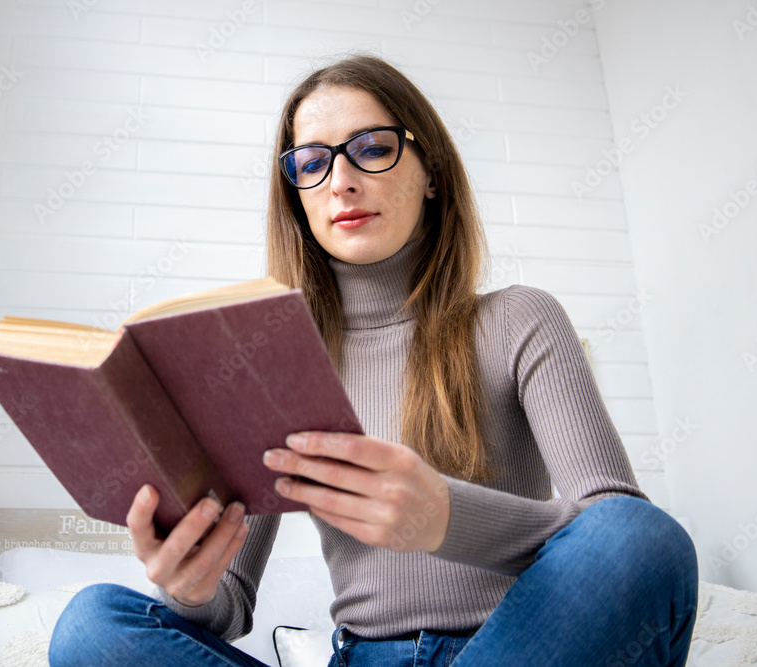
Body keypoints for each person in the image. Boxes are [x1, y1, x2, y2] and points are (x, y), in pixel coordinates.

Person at [49, 55, 698, 667]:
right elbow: (229, 607)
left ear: (432, 170)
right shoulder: (273, 366)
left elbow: (619, 533)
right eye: (311, 162)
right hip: (361, 653)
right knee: (92, 625)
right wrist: (189, 587)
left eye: (373, 147)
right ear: (298, 196)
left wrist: (446, 516)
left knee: (642, 538)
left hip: (518, 646)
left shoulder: (521, 319)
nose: (342, 180)